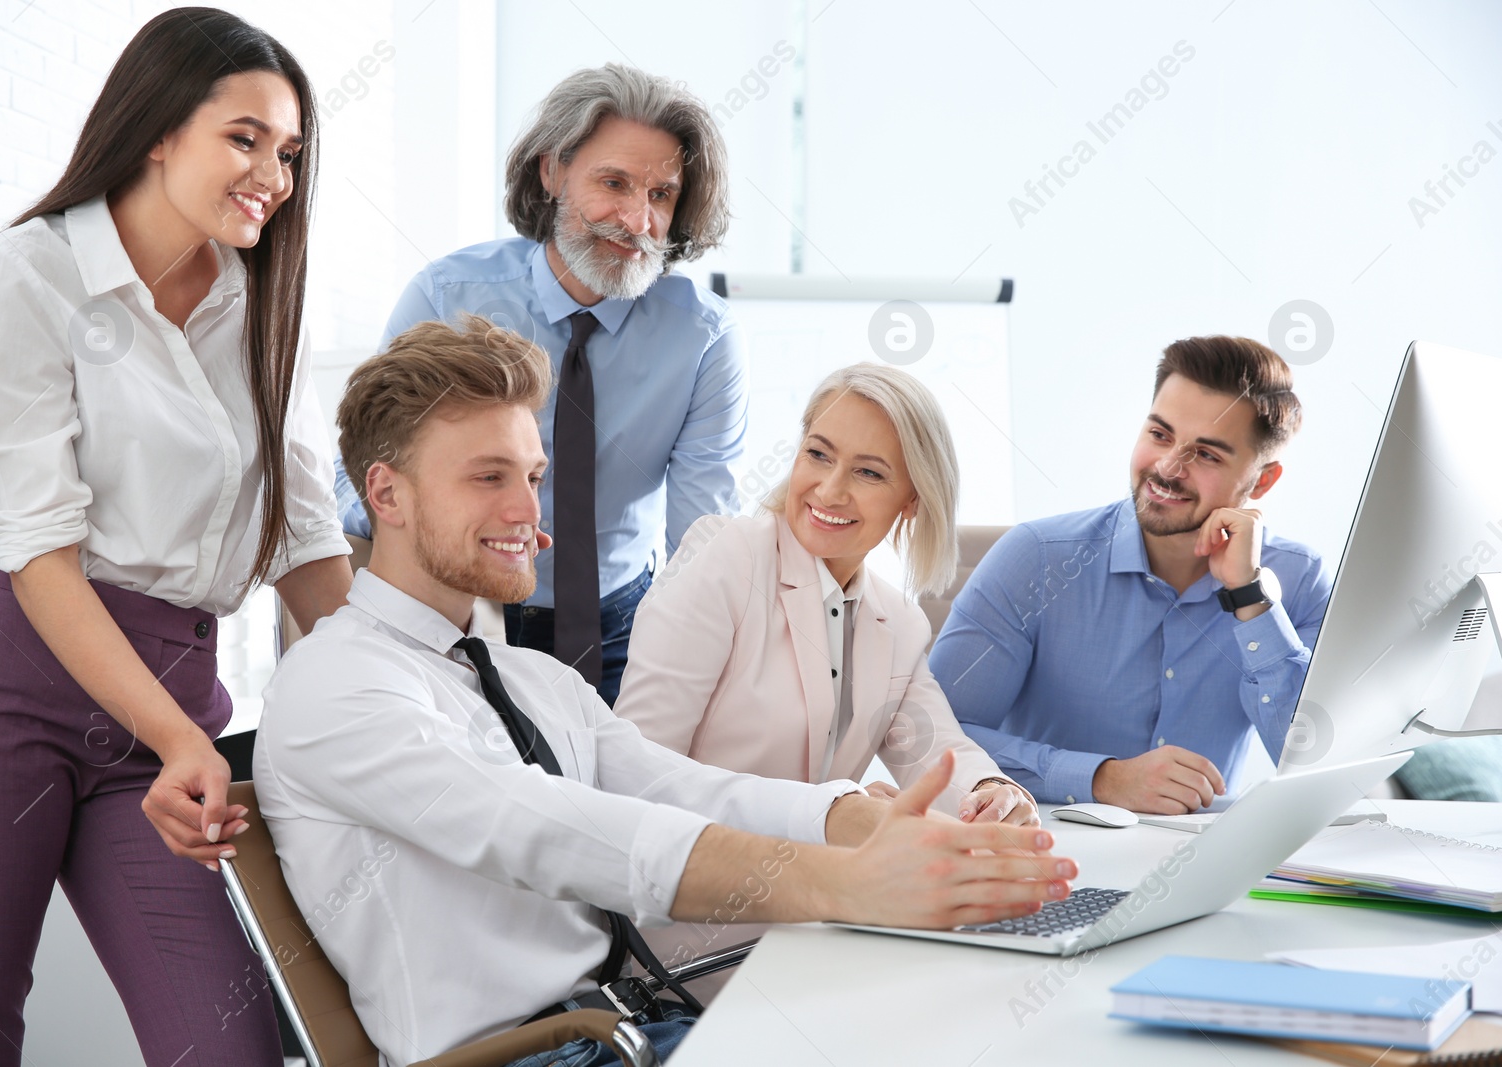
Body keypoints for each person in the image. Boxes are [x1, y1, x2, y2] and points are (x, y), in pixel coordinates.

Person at [260, 317, 1075, 1067]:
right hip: (536, 1051)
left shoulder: (532, 679)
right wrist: (843, 879)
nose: (529, 513)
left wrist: (862, 821)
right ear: (386, 493)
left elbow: (687, 788)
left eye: (532, 476)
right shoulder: (338, 685)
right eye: (487, 477)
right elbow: (544, 829)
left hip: (630, 1028)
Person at [0, 10, 352, 1064]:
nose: (274, 174)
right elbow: (40, 553)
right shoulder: (25, 275)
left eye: (287, 152)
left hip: (169, 695)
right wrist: (184, 736)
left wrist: (387, 702)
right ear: (158, 129)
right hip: (3, 672)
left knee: (229, 1042)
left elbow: (307, 540)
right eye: (244, 138)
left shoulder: (261, 298)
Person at [337, 62, 745, 705]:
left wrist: (705, 660)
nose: (638, 221)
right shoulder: (449, 296)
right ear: (552, 172)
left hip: (624, 628)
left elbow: (704, 535)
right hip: (459, 615)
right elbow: (359, 474)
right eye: (613, 183)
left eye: (661, 195)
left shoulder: (702, 337)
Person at [617, 364, 1036, 822]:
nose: (831, 491)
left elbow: (933, 747)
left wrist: (990, 791)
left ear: (913, 500)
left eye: (869, 473)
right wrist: (839, 811)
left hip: (806, 881)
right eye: (818, 454)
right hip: (691, 871)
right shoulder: (729, 556)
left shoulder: (897, 620)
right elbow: (638, 768)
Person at [930, 336, 1330, 814]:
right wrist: (1102, 778)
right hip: (1048, 854)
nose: (1167, 467)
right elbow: (932, 742)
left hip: (1206, 863)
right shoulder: (1035, 559)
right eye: (1160, 435)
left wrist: (1249, 597)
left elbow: (1317, 765)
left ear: (1262, 480)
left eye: (1206, 455)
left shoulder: (1299, 579)